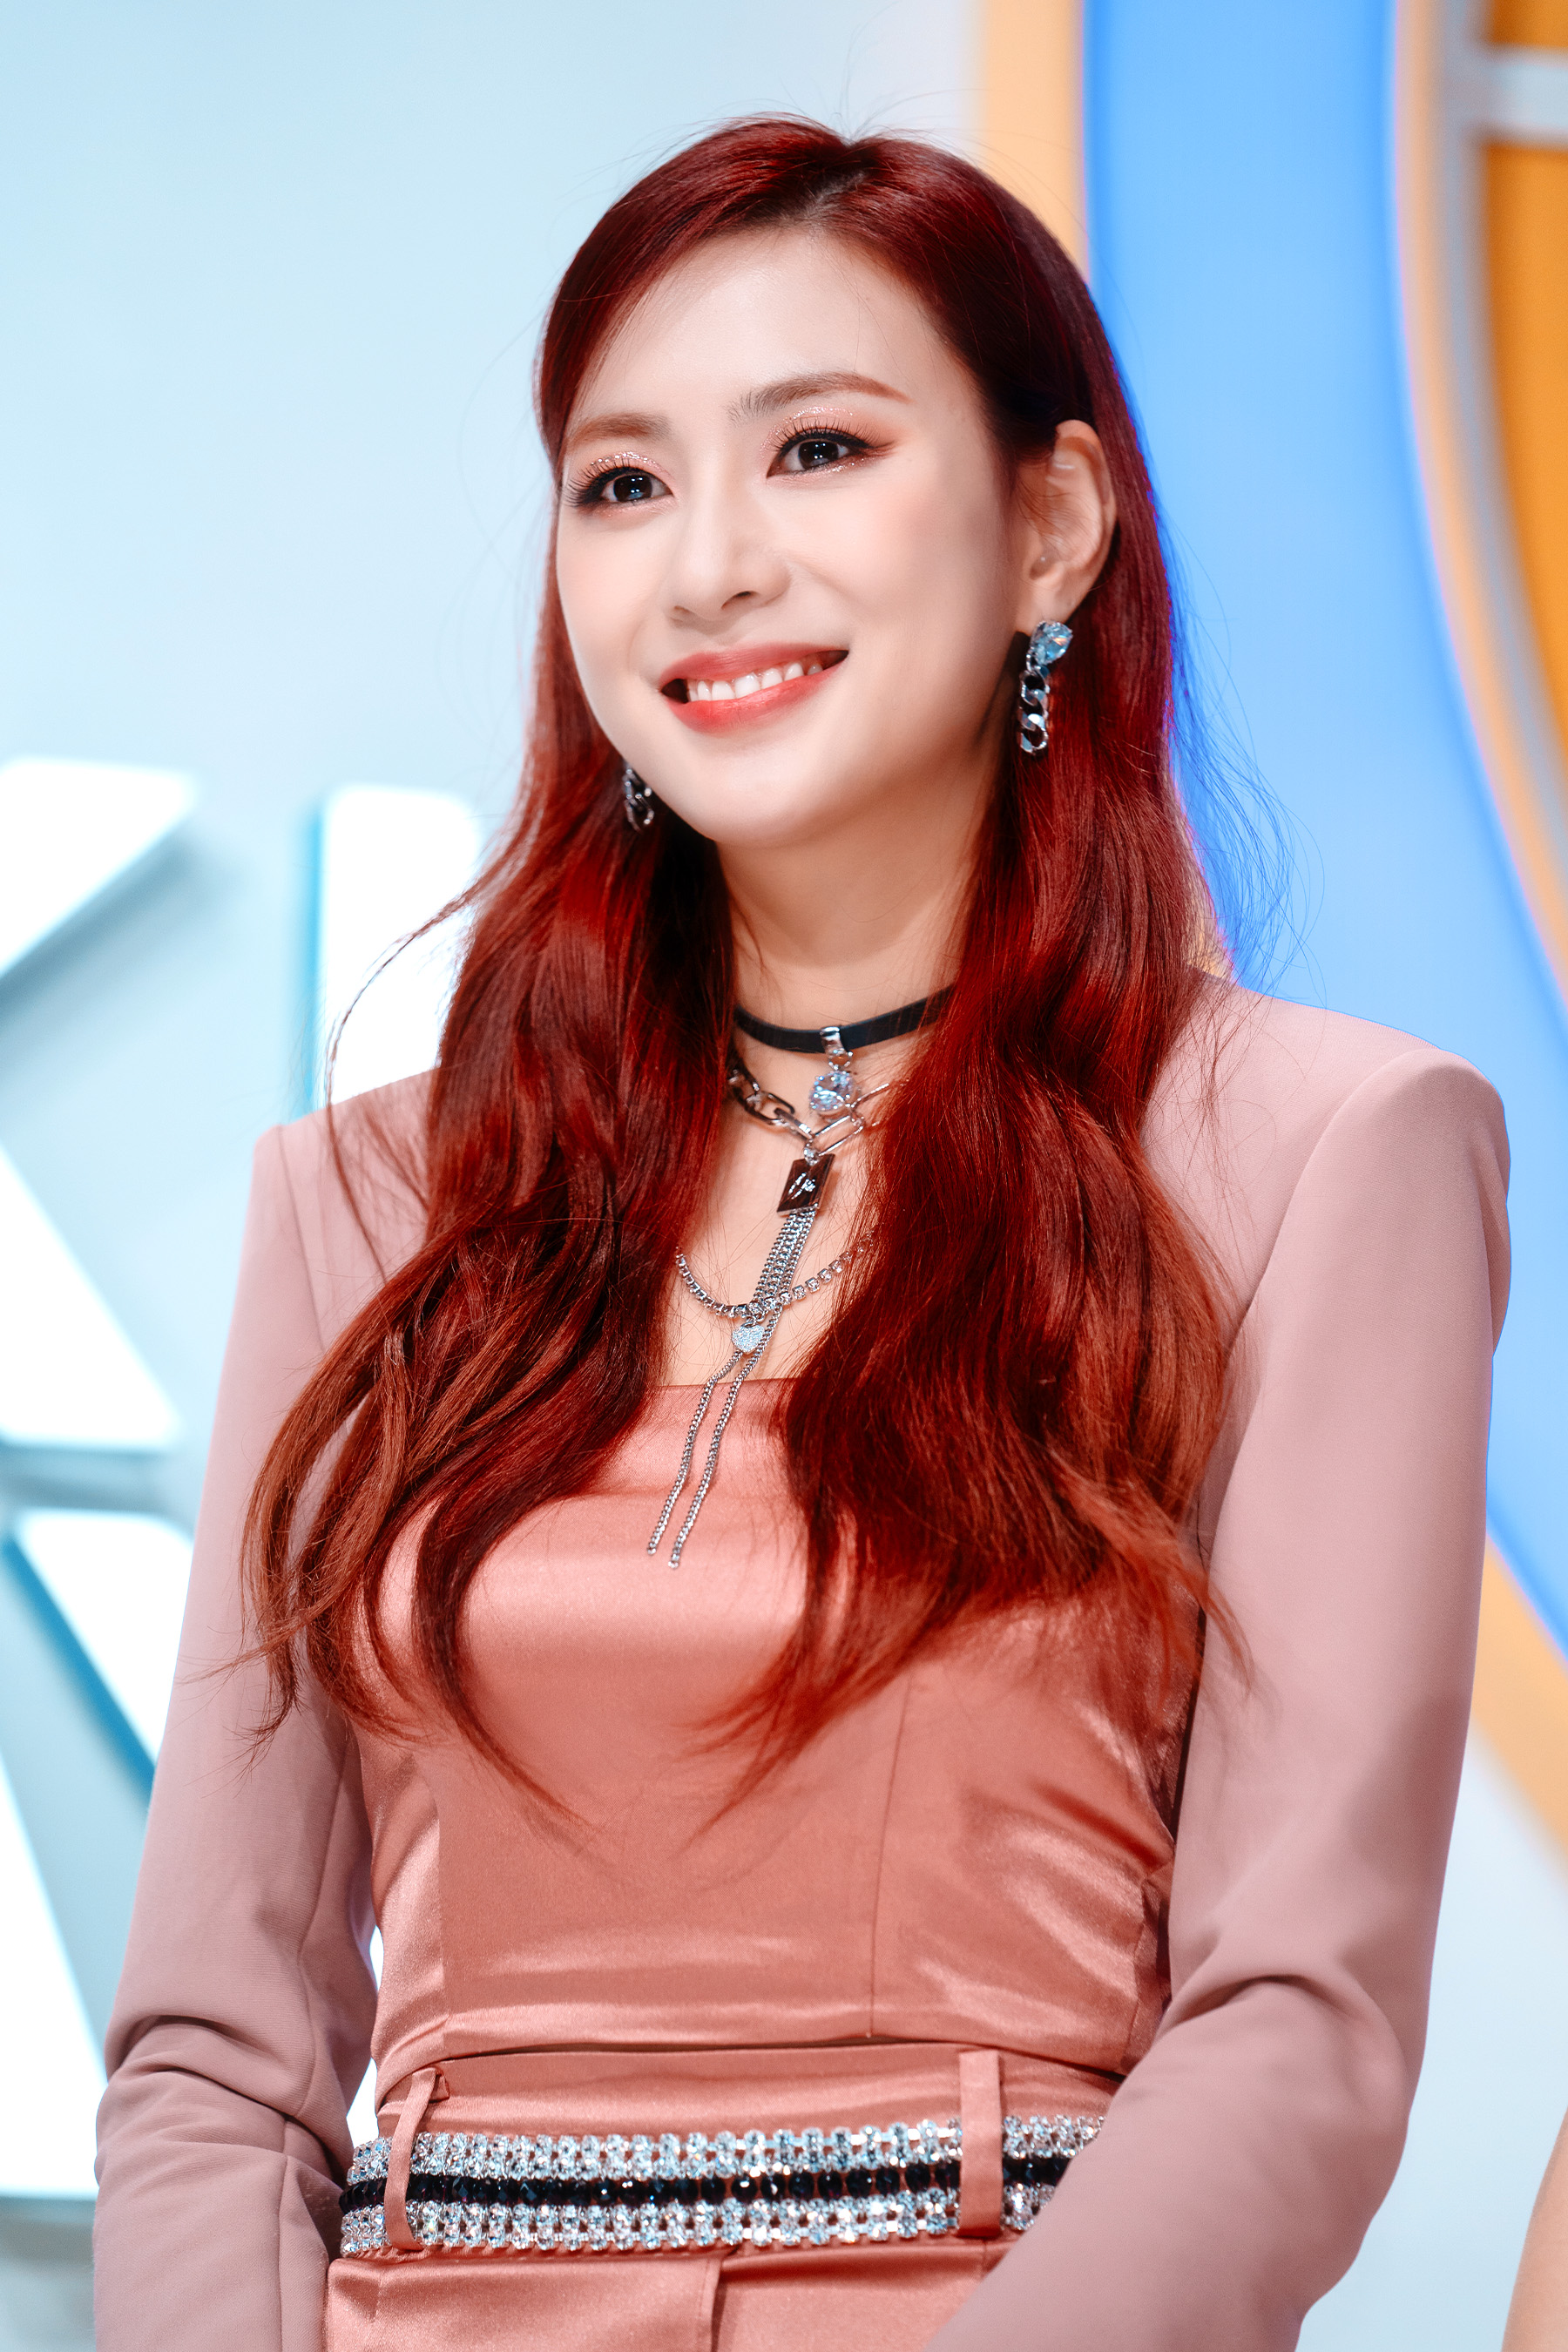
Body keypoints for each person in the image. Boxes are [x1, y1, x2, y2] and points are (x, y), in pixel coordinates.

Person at [93, 118, 1509, 2351]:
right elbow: (212, 2056)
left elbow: (1296, 2028)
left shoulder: (1322, 1153)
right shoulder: (368, 1201)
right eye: (622, 484)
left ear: (1052, 527)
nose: (709, 566)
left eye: (819, 450)